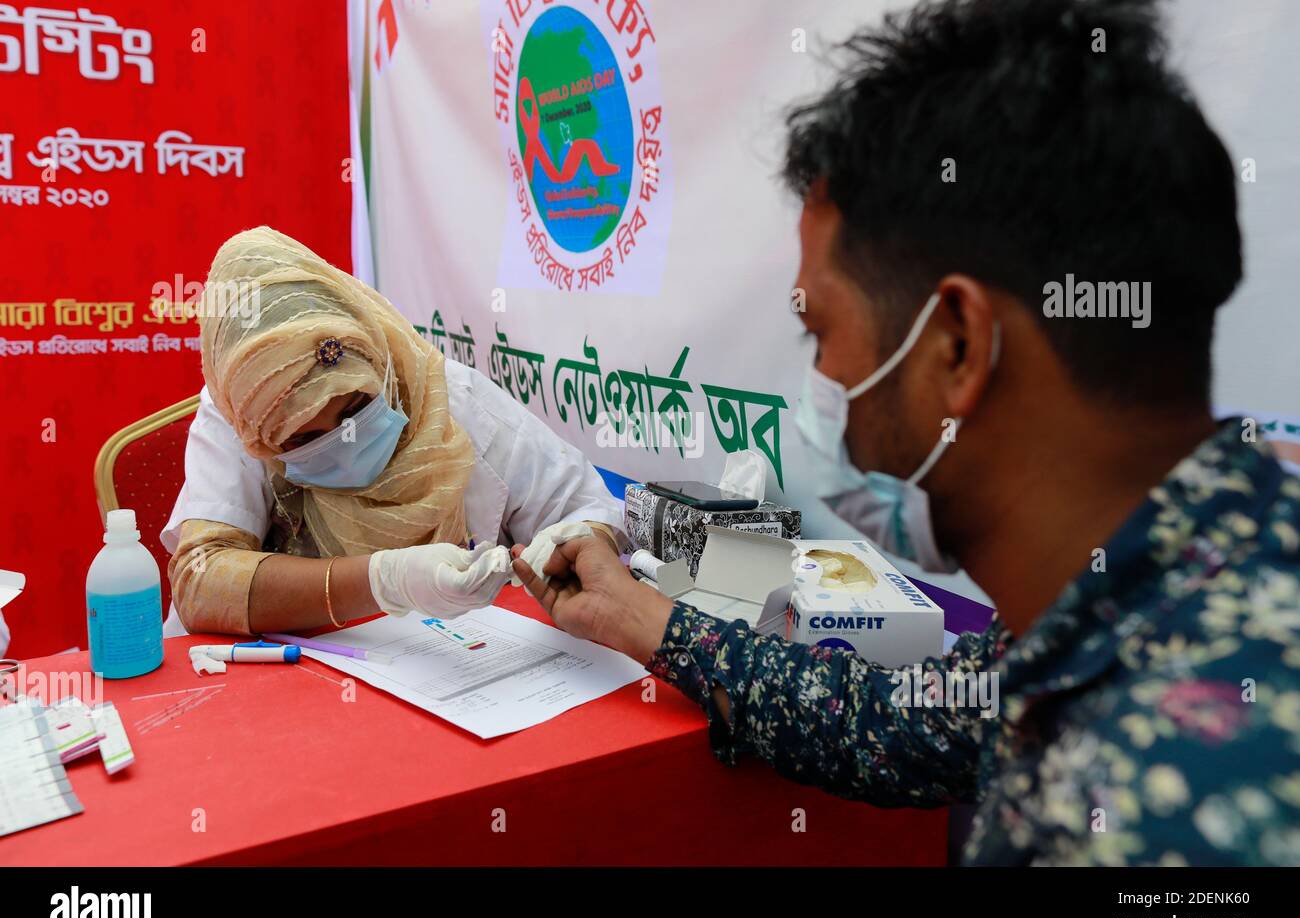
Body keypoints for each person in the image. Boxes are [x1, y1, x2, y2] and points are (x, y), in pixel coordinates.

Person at [513, 0, 1300, 865]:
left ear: (956, 344)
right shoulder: (1170, 575)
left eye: (823, 334)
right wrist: (646, 622)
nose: (822, 388)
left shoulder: (1160, 810)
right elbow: (907, 722)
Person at [162, 226, 622, 637]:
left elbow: (594, 511)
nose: (343, 444)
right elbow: (202, 580)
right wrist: (383, 580)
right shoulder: (242, 417)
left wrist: (568, 544)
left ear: (380, 367)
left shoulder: (452, 401)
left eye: (356, 409)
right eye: (303, 440)